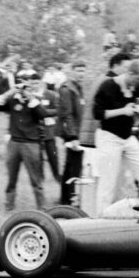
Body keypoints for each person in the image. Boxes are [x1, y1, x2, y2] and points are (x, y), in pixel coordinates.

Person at [92, 59, 139, 210]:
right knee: (109, 181)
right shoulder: (107, 86)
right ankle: (101, 218)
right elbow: (97, 113)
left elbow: (135, 107)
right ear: (129, 73)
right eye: (138, 79)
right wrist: (123, 111)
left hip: (127, 137)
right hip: (109, 136)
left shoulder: (137, 87)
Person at [0, 73, 48, 211]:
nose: (24, 86)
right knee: (11, 179)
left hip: (31, 143)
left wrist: (30, 97)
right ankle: (9, 207)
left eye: (27, 82)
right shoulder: (12, 100)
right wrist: (11, 92)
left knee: (36, 179)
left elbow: (42, 115)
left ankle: (42, 208)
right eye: (21, 82)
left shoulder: (35, 100)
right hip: (14, 143)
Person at [58, 60, 87, 205]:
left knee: (70, 167)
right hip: (73, 135)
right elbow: (67, 114)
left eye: (83, 71)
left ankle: (65, 200)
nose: (81, 74)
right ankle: (71, 201)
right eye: (78, 70)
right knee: (74, 169)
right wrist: (73, 137)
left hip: (78, 133)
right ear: (72, 71)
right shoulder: (67, 89)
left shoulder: (78, 88)